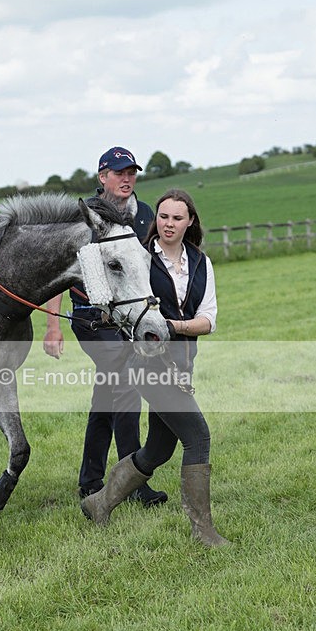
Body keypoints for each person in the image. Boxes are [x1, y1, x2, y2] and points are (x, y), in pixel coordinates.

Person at [81, 188, 230, 547]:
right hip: (147, 363)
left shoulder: (200, 262)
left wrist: (175, 327)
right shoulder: (141, 258)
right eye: (163, 216)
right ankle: (203, 531)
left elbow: (207, 319)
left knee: (158, 451)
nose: (168, 224)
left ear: (190, 221)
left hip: (183, 363)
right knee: (198, 438)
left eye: (177, 218)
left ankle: (99, 503)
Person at [43, 146, 167, 507]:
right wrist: (54, 326)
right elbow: (64, 276)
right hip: (92, 319)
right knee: (126, 387)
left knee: (105, 399)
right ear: (102, 178)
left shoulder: (145, 214)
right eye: (119, 173)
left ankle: (90, 480)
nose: (127, 179)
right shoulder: (84, 219)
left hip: (129, 319)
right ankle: (134, 483)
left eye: (132, 173)